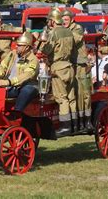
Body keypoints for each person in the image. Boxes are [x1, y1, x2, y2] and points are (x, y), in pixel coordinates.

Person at [0, 32, 39, 118]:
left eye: (20, 45)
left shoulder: (33, 60)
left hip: (22, 86)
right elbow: (2, 66)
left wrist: (8, 82)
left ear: (27, 47)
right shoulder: (12, 54)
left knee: (27, 90)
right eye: (17, 44)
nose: (16, 46)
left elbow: (26, 76)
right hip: (9, 86)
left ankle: (16, 113)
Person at [40, 8, 76, 136]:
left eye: (49, 20)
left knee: (61, 98)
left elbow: (46, 51)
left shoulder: (53, 33)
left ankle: (65, 126)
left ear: (52, 21)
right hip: (69, 67)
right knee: (71, 97)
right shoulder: (68, 31)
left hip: (58, 68)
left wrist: (42, 42)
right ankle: (74, 124)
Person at [62, 9, 92, 130]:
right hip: (69, 65)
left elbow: (75, 40)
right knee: (74, 95)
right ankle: (77, 122)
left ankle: (88, 121)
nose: (64, 22)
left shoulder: (77, 28)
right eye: (62, 20)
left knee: (85, 94)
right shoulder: (62, 30)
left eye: (66, 20)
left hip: (81, 65)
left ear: (72, 20)